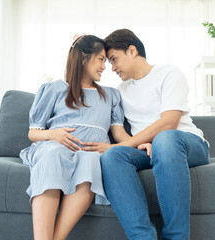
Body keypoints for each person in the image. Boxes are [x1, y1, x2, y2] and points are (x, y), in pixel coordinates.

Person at [81, 29, 210, 240]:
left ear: (132, 50)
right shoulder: (120, 91)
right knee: (112, 156)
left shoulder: (169, 73)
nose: (111, 68)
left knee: (165, 140)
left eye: (114, 59)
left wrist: (150, 142)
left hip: (185, 142)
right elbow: (116, 128)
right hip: (149, 148)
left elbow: (169, 123)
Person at [19, 34, 132, 240]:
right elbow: (33, 133)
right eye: (100, 59)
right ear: (83, 57)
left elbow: (119, 133)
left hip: (89, 152)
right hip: (55, 147)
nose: (104, 66)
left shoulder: (110, 95)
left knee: (90, 162)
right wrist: (53, 134)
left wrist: (142, 143)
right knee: (53, 155)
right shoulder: (53, 89)